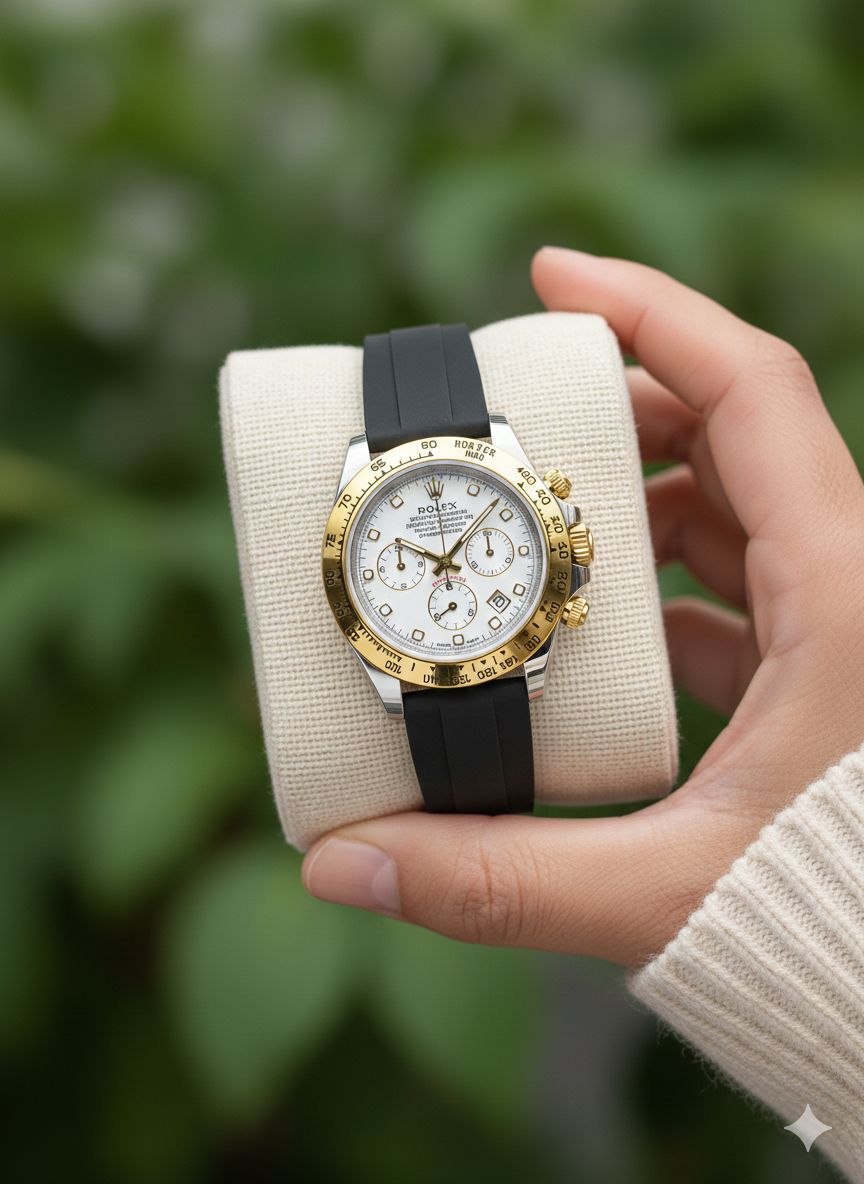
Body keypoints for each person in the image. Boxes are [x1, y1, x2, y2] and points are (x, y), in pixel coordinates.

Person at [303, 246, 864, 1181]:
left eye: (466, 553)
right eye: (423, 564)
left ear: (560, 552)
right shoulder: (384, 508)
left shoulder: (483, 518)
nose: (445, 569)